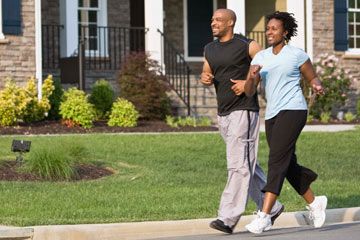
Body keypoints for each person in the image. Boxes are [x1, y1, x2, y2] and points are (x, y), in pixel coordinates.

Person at [200, 8, 284, 234]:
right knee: (246, 163)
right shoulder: (210, 49)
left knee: (237, 165)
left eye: (218, 20)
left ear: (231, 23)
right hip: (224, 113)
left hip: (244, 110)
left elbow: (266, 64)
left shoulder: (246, 45)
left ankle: (227, 218)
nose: (213, 23)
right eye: (212, 19)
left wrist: (248, 82)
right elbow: (206, 71)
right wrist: (205, 78)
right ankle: (272, 207)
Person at [244, 11, 327, 234]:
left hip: (294, 109)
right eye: (268, 28)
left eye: (274, 28)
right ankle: (314, 202)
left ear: (285, 32)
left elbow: (312, 77)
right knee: (286, 163)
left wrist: (317, 86)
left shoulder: (297, 55)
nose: (269, 32)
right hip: (272, 115)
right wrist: (252, 77)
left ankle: (265, 215)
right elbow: (249, 91)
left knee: (276, 161)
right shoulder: (260, 57)